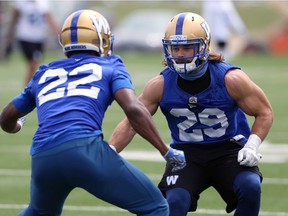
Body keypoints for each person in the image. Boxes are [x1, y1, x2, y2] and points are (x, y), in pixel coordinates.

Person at [0, 9, 186, 216]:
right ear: (102, 40)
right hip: (84, 150)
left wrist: (17, 126)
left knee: (39, 211)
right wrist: (165, 150)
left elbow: (6, 117)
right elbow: (133, 109)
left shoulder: (45, 71)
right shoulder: (110, 65)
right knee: (157, 208)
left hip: (43, 155)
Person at [109, 12, 273, 216]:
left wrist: (252, 145)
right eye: (175, 47)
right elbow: (132, 122)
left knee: (250, 186)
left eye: (187, 47)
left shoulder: (231, 79)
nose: (179, 54)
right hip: (186, 155)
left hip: (228, 149)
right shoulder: (160, 85)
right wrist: (110, 151)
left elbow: (264, 112)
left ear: (204, 46)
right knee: (175, 201)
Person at [5, 0, 60, 85]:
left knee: (36, 63)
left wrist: (58, 33)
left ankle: (30, 86)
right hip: (25, 37)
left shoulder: (43, 3)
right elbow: (14, 19)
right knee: (34, 61)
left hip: (39, 37)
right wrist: (10, 35)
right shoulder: (21, 3)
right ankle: (28, 87)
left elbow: (49, 18)